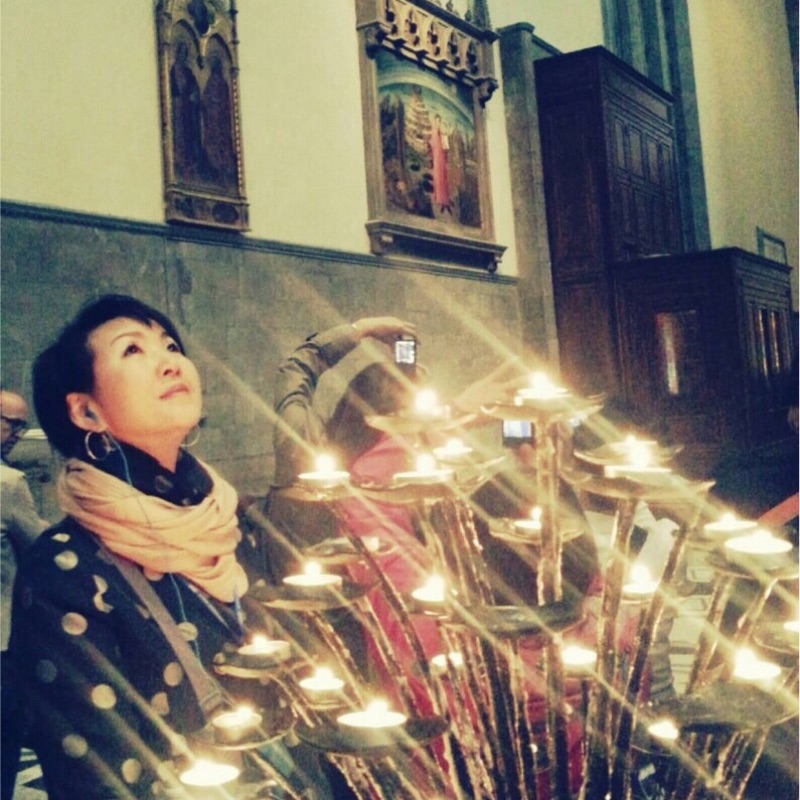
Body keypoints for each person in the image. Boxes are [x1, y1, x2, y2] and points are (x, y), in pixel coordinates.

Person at [7, 295, 331, 800]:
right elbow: (94, 777)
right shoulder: (63, 567)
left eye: (171, 346)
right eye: (133, 350)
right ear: (86, 410)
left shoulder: (227, 522)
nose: (169, 362)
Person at [0, 389, 49, 799]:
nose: (18, 433)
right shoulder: (8, 483)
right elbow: (41, 549)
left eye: (22, 425)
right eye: (10, 423)